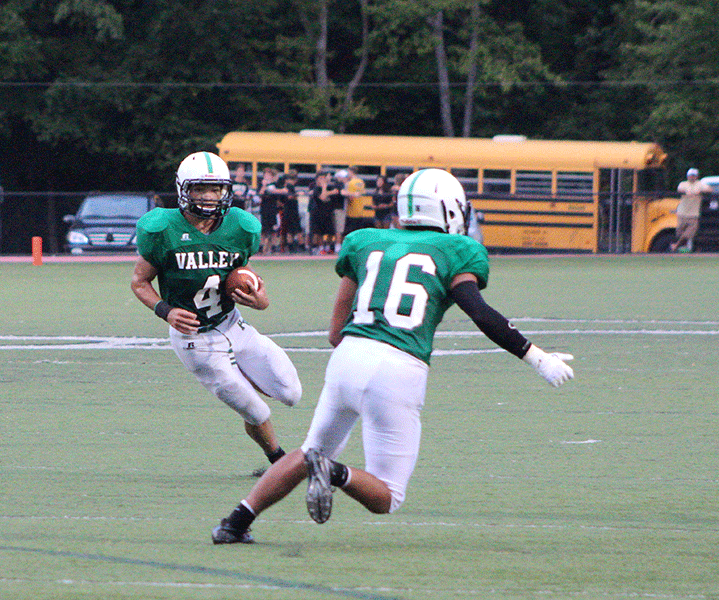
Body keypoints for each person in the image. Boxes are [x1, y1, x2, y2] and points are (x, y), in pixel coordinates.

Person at [211, 168, 574, 544]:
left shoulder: (366, 241)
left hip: (348, 357)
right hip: (398, 367)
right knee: (387, 496)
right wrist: (537, 357)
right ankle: (333, 472)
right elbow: (478, 311)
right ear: (449, 210)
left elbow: (335, 331)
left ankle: (233, 524)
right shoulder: (458, 250)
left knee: (308, 450)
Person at [131, 151, 302, 472]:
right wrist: (164, 310)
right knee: (257, 411)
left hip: (233, 324)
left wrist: (261, 300)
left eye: (216, 189)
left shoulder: (239, 227)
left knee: (291, 392)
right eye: (200, 189)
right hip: (195, 339)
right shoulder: (162, 229)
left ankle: (245, 380)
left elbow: (246, 276)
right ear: (184, 190)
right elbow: (139, 281)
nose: (209, 197)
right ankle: (279, 463)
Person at [671, 168, 712, 252]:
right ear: (687, 176)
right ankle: (682, 246)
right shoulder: (683, 184)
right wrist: (686, 192)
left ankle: (676, 245)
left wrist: (700, 191)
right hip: (682, 212)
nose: (692, 177)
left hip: (694, 214)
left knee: (690, 232)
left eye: (693, 175)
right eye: (690, 175)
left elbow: (710, 189)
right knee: (679, 232)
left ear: (697, 176)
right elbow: (679, 189)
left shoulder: (700, 184)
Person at [308, 170, 338, 254]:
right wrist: (325, 188)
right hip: (317, 213)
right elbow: (322, 197)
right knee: (318, 232)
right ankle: (320, 248)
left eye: (324, 178)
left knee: (330, 232)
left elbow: (335, 191)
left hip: (328, 213)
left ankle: (328, 246)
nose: (323, 180)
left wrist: (328, 191)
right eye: (321, 178)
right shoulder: (316, 189)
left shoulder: (330, 187)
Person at [343, 166, 376, 234]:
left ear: (351, 172)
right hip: (360, 211)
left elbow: (351, 198)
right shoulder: (361, 182)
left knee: (350, 233)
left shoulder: (350, 183)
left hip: (352, 212)